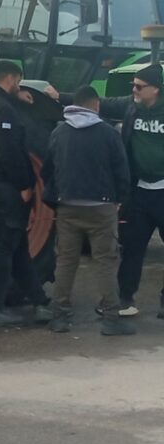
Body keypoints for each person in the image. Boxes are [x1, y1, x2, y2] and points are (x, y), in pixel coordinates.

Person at [47, 63, 164, 317]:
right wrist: (59, 96)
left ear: (155, 89)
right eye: (133, 85)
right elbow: (101, 102)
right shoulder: (131, 106)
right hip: (139, 191)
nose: (134, 90)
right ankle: (124, 299)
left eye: (139, 86)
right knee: (131, 248)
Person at [41, 85, 134, 336]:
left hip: (68, 207)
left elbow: (47, 170)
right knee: (105, 262)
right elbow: (122, 171)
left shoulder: (59, 132)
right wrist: (119, 201)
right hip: (102, 208)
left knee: (66, 261)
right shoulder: (109, 133)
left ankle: (60, 317)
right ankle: (111, 319)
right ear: (96, 105)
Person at [0, 59, 52, 327]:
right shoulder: (2, 109)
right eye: (19, 81)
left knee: (17, 247)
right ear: (12, 78)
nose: (19, 86)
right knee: (2, 249)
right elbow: (9, 152)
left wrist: (17, 99)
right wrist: (24, 185)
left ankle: (40, 302)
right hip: (4, 188)